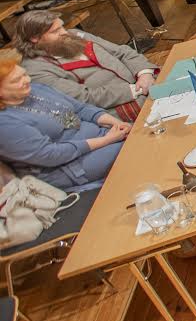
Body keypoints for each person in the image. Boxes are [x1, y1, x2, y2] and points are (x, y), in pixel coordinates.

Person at [0, 50, 128, 191]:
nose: (27, 80)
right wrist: (107, 140)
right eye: (16, 80)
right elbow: (51, 155)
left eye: (24, 74)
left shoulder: (35, 89)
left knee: (143, 132)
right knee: (135, 149)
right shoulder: (5, 123)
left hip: (102, 137)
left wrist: (116, 123)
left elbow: (79, 109)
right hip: (71, 167)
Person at [11, 11, 156, 120]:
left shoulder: (74, 34)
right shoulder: (36, 69)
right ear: (34, 38)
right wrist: (137, 89)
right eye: (55, 31)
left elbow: (121, 52)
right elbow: (84, 98)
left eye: (62, 27)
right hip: (120, 108)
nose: (65, 33)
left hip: (145, 82)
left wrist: (145, 74)